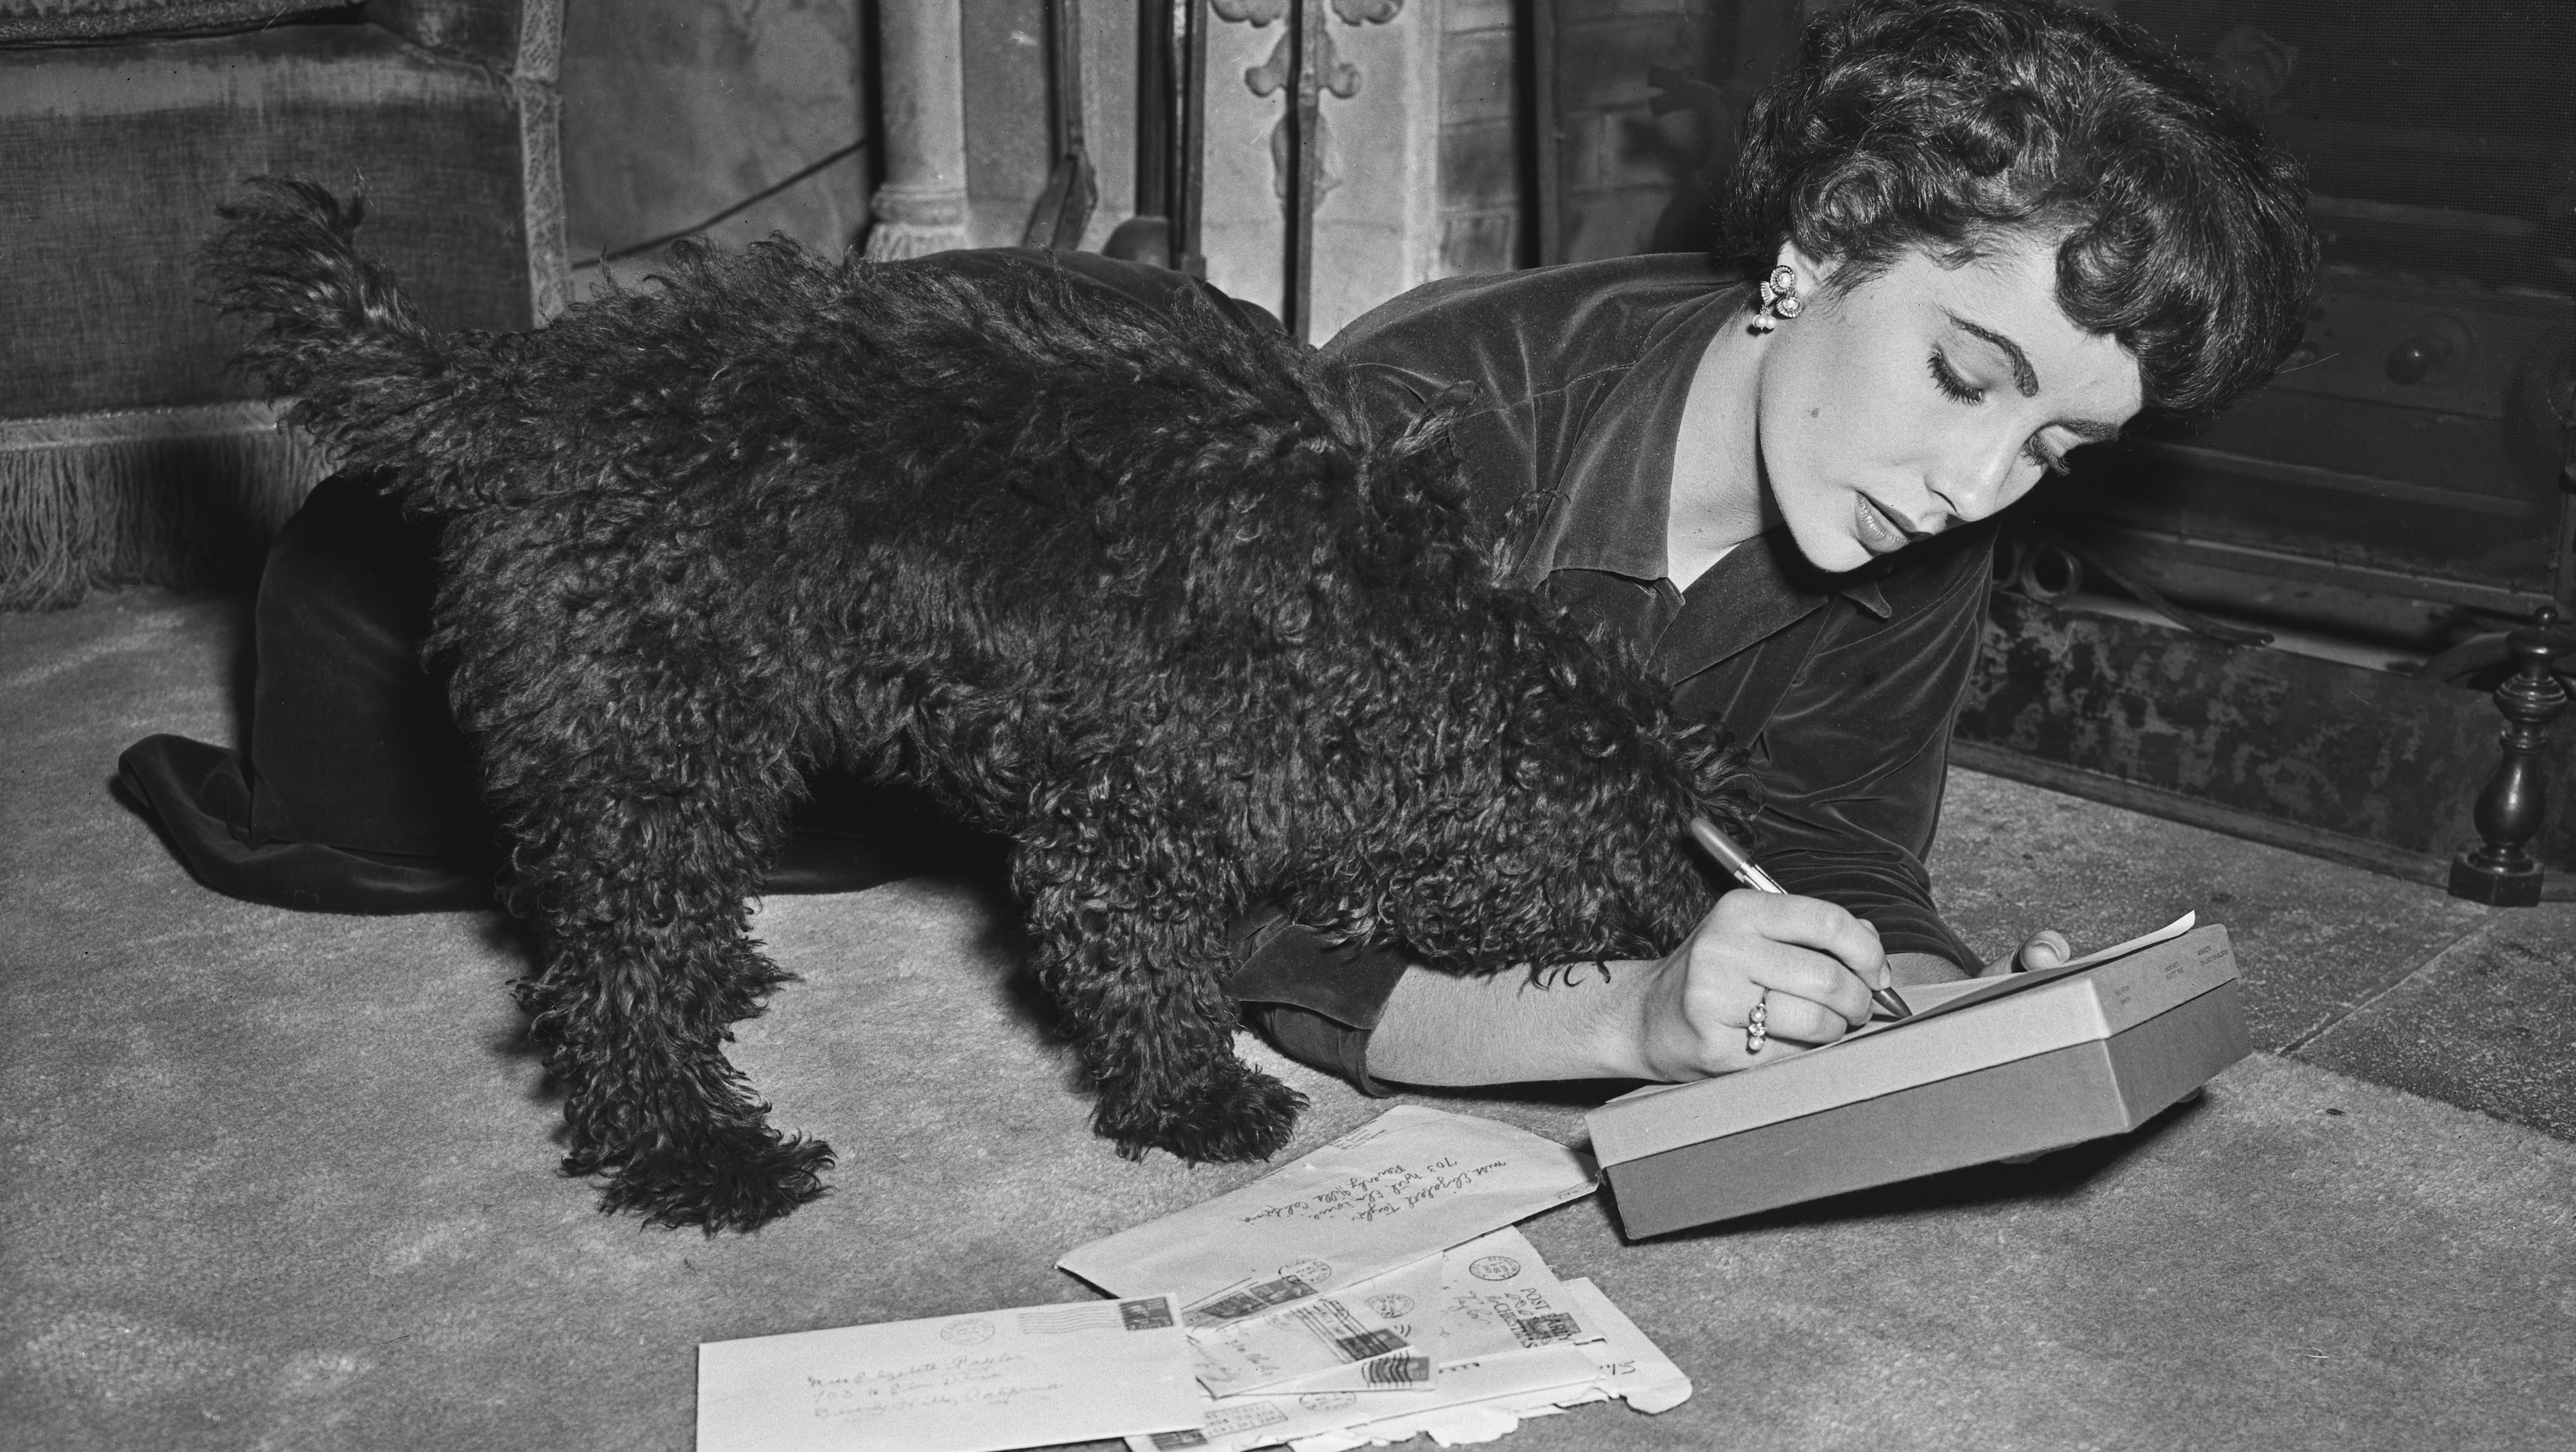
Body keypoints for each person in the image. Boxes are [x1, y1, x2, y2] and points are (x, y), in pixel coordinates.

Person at [120, 0, 2313, 1100]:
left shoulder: (1920, 556)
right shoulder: (1423, 430)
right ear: (1826, 245)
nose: (1984, 481)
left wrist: (1926, 1006)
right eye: (1964, 369)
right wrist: (1632, 1017)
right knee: (466, 663)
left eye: (2057, 440)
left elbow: (1843, 850)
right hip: (633, 656)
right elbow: (1247, 938)